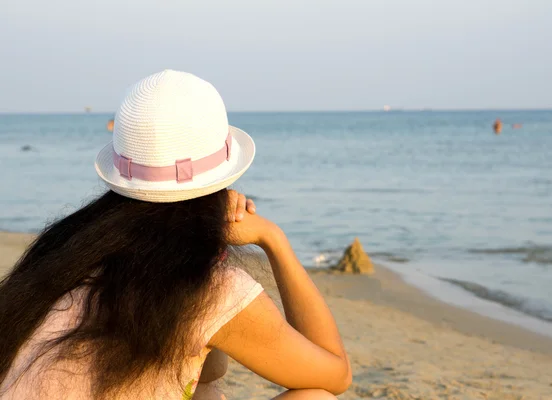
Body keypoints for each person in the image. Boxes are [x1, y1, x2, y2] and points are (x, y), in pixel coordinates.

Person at [0, 70, 350, 399]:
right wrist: (274, 240)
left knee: (203, 390)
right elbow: (336, 374)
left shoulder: (67, 250)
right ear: (224, 177)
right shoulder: (211, 290)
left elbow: (208, 372)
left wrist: (211, 247)